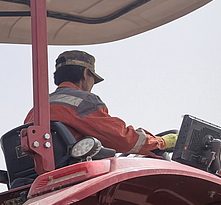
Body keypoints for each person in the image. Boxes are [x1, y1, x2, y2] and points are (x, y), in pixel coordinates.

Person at [26, 50, 177, 155]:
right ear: (86, 74)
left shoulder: (36, 110)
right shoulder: (83, 101)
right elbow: (122, 139)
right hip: (74, 178)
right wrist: (161, 142)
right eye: (93, 79)